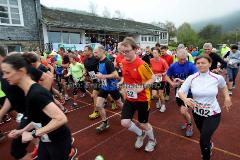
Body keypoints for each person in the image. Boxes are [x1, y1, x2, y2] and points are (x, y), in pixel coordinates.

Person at [2, 54, 72, 160]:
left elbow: (61, 118)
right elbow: (37, 119)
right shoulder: (26, 93)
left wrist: (33, 135)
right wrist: (22, 131)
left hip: (58, 141)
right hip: (46, 140)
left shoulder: (36, 93)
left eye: (7, 72)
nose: (4, 77)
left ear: (21, 72)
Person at [178, 54, 232, 160]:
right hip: (197, 113)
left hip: (213, 113)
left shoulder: (217, 78)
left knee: (203, 140)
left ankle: (205, 156)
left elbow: (224, 86)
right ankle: (208, 143)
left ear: (210, 64)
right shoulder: (192, 78)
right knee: (204, 136)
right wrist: (185, 99)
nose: (200, 65)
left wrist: (227, 98)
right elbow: (181, 92)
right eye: (198, 63)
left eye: (203, 62)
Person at [121, 37, 157, 152]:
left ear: (135, 49)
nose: (125, 54)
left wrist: (142, 86)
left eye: (127, 51)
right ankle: (141, 134)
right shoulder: (123, 62)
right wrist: (123, 85)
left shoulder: (142, 64)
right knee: (125, 122)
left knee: (143, 123)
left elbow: (153, 78)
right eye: (123, 51)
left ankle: (152, 140)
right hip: (130, 98)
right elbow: (126, 77)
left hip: (142, 99)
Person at [165, 49, 198, 137]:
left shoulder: (191, 65)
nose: (183, 61)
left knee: (183, 111)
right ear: (177, 57)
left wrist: (182, 81)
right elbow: (167, 76)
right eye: (181, 59)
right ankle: (188, 122)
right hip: (179, 92)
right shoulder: (173, 66)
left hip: (189, 92)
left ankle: (190, 125)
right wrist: (172, 83)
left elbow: (197, 78)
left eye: (184, 59)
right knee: (182, 111)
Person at [93, 45, 123, 133]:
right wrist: (99, 76)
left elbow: (116, 75)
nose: (95, 54)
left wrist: (103, 76)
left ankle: (126, 113)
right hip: (104, 87)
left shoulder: (108, 62)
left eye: (96, 52)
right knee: (98, 105)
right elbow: (102, 74)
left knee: (119, 103)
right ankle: (105, 122)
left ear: (102, 51)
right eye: (94, 52)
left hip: (112, 86)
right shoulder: (99, 61)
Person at [84, 45, 101, 119]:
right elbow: (86, 69)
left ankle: (96, 112)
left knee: (95, 95)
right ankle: (96, 112)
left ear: (90, 51)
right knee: (96, 95)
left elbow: (102, 67)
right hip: (94, 79)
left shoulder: (96, 59)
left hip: (101, 78)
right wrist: (85, 72)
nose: (84, 52)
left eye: (85, 50)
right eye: (84, 51)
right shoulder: (85, 60)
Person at [150, 48, 169, 112]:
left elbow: (168, 70)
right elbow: (151, 68)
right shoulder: (151, 60)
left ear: (159, 54)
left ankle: (163, 105)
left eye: (155, 53)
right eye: (153, 53)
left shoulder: (163, 61)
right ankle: (159, 100)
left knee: (161, 94)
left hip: (162, 79)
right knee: (154, 95)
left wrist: (162, 74)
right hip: (155, 79)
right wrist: (152, 74)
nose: (154, 54)